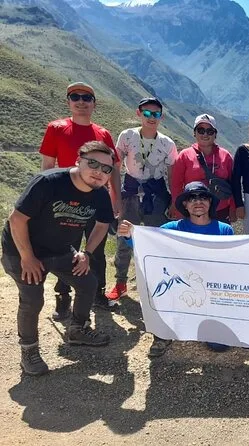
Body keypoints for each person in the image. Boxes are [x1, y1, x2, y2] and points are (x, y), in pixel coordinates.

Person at [2, 141, 116, 376]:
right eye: (93, 163)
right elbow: (17, 219)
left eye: (106, 169)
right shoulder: (49, 182)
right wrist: (27, 257)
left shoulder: (100, 194)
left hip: (61, 249)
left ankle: (77, 330)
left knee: (88, 283)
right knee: (32, 299)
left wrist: (86, 253)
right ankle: (29, 351)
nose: (99, 172)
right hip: (22, 249)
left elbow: (102, 224)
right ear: (78, 160)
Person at [117, 181, 234, 357]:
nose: (198, 202)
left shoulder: (225, 230)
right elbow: (148, 245)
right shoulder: (171, 229)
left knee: (219, 345)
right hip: (178, 288)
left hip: (210, 290)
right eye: (192, 198)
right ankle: (162, 335)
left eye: (203, 197)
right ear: (185, 204)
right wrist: (129, 235)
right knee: (162, 286)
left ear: (210, 202)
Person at [39, 82, 122, 315]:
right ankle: (63, 296)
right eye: (75, 97)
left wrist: (116, 197)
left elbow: (114, 169)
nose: (81, 101)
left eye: (86, 98)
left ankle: (97, 293)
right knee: (66, 248)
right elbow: (47, 166)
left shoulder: (103, 134)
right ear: (68, 102)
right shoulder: (56, 128)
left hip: (96, 199)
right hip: (65, 202)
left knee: (96, 249)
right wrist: (46, 199)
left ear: (94, 104)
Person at [106, 97, 178, 304]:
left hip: (156, 196)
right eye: (147, 113)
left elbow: (172, 175)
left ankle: (159, 284)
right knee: (124, 238)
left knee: (158, 240)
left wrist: (174, 202)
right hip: (130, 193)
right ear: (139, 114)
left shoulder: (167, 143)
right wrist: (115, 197)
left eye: (155, 114)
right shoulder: (126, 136)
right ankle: (120, 283)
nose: (151, 117)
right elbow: (115, 167)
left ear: (161, 117)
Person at [170, 114, 236, 222]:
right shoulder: (184, 156)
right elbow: (176, 185)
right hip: (193, 211)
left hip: (221, 211)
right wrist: (179, 209)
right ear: (194, 133)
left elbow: (233, 184)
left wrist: (233, 208)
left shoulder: (226, 156)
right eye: (201, 130)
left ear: (215, 134)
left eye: (210, 131)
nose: (205, 134)